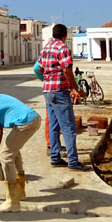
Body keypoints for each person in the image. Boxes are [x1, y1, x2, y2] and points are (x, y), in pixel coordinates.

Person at [38, 24, 88, 170]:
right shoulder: (62, 48)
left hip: (47, 90)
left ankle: (55, 157)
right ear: (65, 36)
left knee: (53, 125)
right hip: (59, 91)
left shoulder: (46, 47)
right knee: (69, 127)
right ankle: (73, 161)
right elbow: (67, 70)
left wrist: (49, 77)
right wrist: (76, 88)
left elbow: (40, 68)